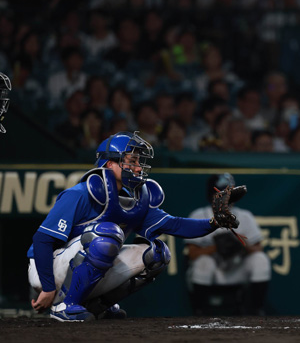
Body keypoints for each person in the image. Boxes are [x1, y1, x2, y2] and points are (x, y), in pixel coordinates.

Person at [27, 131, 243, 322]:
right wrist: (48, 288)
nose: (138, 167)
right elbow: (42, 240)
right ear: (109, 163)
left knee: (157, 254)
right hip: (47, 268)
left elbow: (175, 225)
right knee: (107, 235)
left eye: (138, 161)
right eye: (132, 161)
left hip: (79, 262)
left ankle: (96, 305)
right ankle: (64, 307)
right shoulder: (79, 194)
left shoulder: (134, 199)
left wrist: (215, 222)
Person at [185, 173, 271, 315]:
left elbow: (258, 248)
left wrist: (241, 245)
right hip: (213, 271)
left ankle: (257, 310)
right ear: (211, 195)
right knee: (203, 262)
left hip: (237, 268)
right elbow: (192, 253)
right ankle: (200, 311)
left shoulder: (245, 216)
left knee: (260, 260)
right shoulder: (199, 215)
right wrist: (217, 247)